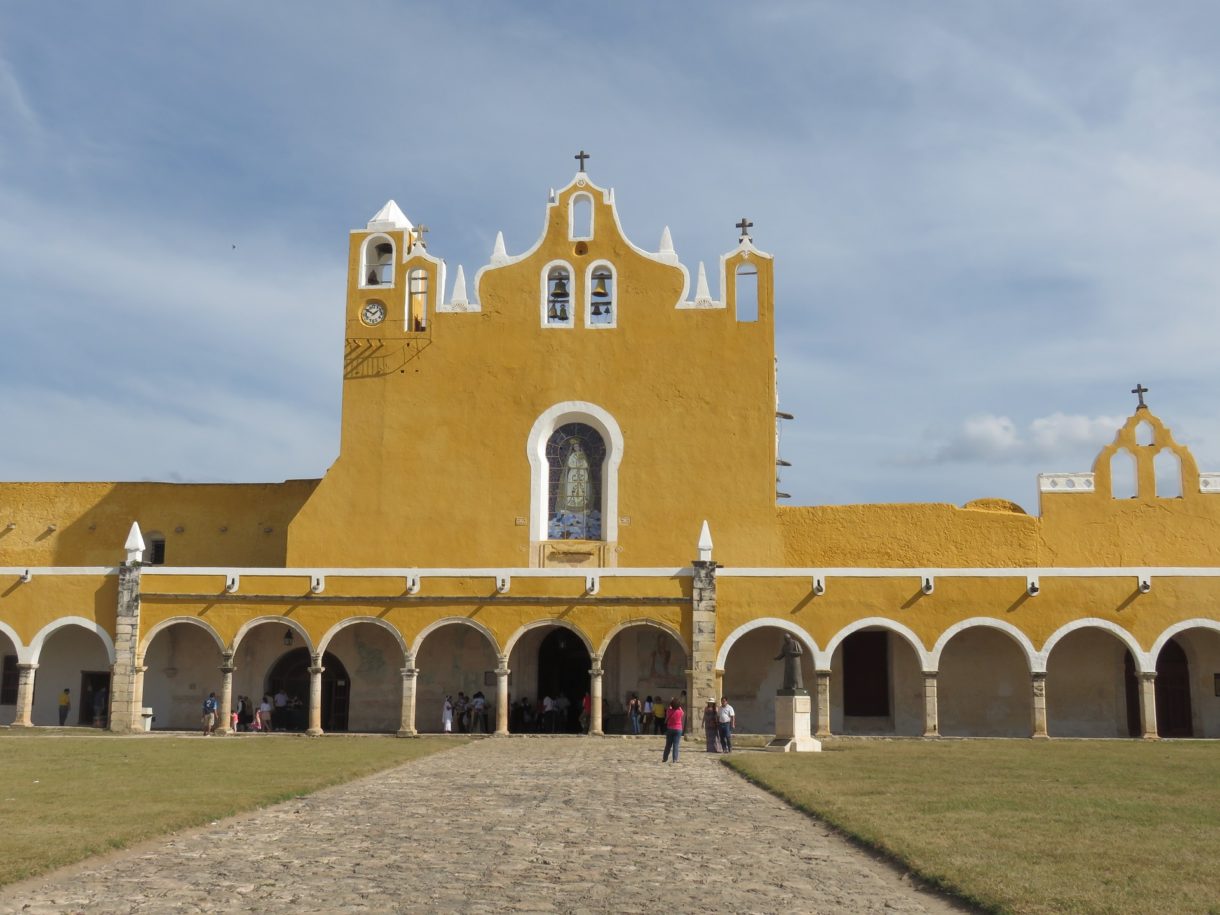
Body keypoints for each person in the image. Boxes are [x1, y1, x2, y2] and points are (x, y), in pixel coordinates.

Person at [661, 698, 684, 763]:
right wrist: (678, 706)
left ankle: (665, 758)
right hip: (678, 729)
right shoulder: (680, 712)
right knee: (676, 745)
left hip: (670, 729)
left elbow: (669, 708)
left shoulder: (669, 711)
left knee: (668, 745)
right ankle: (675, 759)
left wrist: (672, 702)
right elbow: (682, 711)